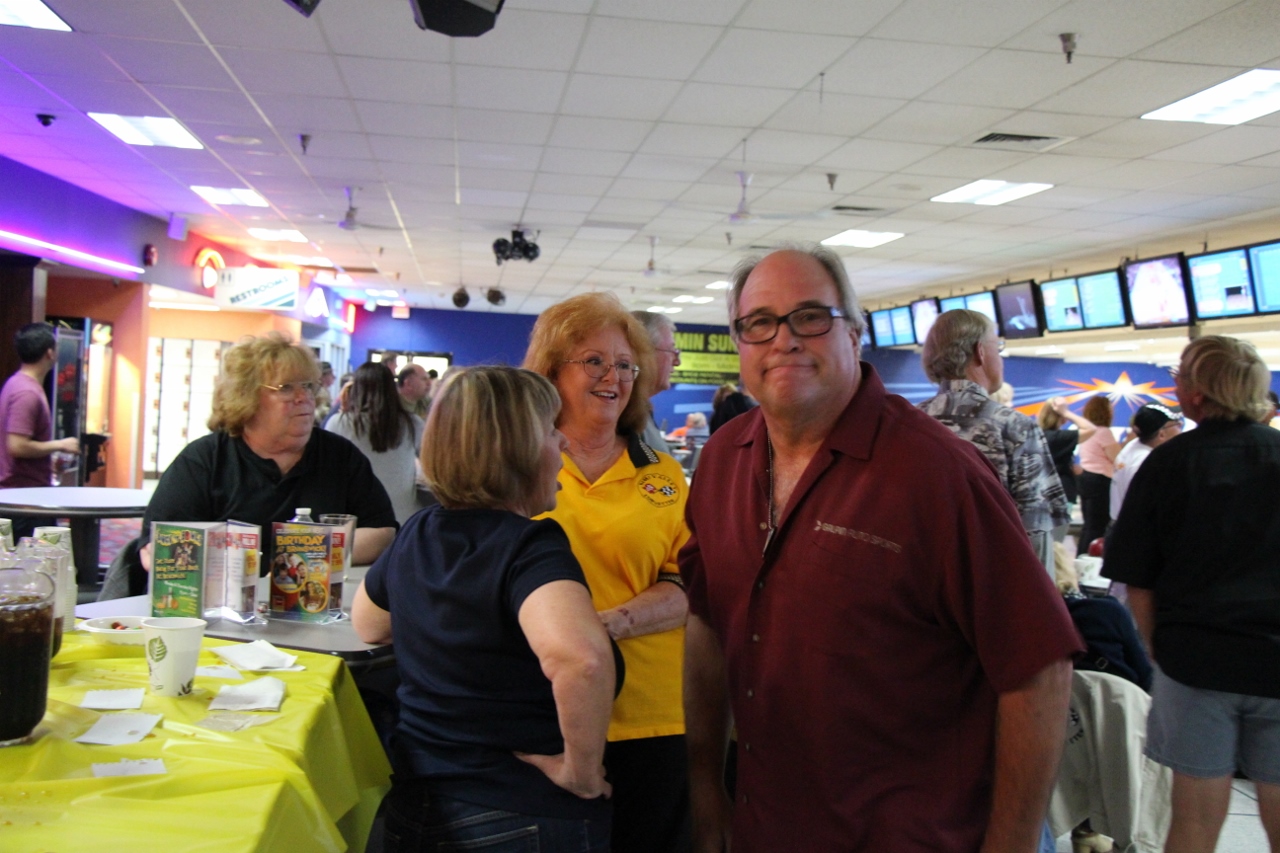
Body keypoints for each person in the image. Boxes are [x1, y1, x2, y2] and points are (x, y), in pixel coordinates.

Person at [680, 245, 1080, 853]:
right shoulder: (722, 461)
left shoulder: (937, 474)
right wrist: (706, 788)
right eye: (759, 322)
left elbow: (1039, 670)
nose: (783, 340)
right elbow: (707, 621)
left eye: (810, 316)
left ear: (855, 333)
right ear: (739, 341)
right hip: (767, 827)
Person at [352, 366, 616, 852]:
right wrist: (579, 771)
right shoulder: (529, 546)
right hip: (519, 812)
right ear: (512, 447)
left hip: (417, 806)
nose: (562, 443)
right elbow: (581, 660)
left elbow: (369, 624)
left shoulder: (419, 532)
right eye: (548, 429)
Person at [524, 292, 693, 853]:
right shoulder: (521, 465)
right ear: (552, 370)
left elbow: (689, 583)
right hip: (546, 706)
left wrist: (605, 626)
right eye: (593, 361)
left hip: (652, 715)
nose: (612, 377)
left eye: (625, 365)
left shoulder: (663, 475)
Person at [1104, 336, 1280, 853]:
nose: (1175, 385)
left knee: (1195, 821)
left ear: (1199, 393)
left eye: (1179, 375)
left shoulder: (1166, 464)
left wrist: (1160, 649)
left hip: (1195, 664)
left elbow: (1139, 579)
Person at [120, 333, 397, 593]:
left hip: (313, 608)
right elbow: (156, 550)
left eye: (308, 386)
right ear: (246, 397)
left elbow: (383, 532)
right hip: (219, 615)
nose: (304, 398)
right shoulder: (203, 461)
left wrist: (300, 555)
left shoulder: (340, 456)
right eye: (286, 388)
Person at [918, 309, 1070, 571]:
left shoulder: (907, 422)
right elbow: (1038, 532)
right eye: (998, 348)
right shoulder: (1014, 427)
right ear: (980, 352)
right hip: (991, 588)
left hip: (918, 589)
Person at [0, 323, 79, 539]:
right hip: (24, 498)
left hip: (22, 494)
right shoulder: (27, 392)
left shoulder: (17, 384)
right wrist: (60, 444)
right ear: (50, 352)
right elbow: (17, 446)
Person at [325, 361, 424, 525]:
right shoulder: (412, 423)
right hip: (404, 519)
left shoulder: (339, 423)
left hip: (357, 522)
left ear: (356, 389)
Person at [1108, 403, 1182, 521]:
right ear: (1161, 434)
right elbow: (1145, 508)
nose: (1181, 428)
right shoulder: (1145, 464)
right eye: (1177, 425)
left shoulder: (1133, 446)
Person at [630, 310, 681, 456]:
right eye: (672, 351)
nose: (677, 362)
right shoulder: (620, 416)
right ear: (644, 352)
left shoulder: (638, 410)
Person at [1076, 395, 1120, 555]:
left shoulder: (1086, 432)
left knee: (1088, 525)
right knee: (1098, 526)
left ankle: (1080, 557)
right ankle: (1091, 560)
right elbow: (1117, 458)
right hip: (1100, 481)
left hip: (1085, 479)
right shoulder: (1104, 433)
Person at [1038, 397, 1097, 506]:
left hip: (1038, 492)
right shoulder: (1060, 438)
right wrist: (1065, 412)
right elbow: (1091, 429)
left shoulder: (1036, 435)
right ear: (1063, 418)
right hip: (1060, 493)